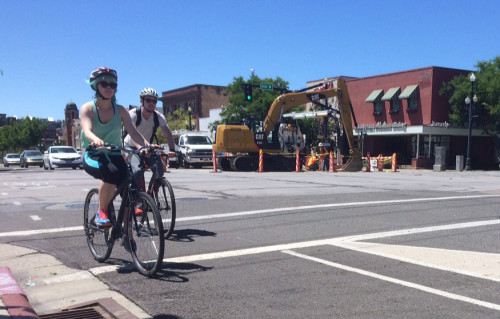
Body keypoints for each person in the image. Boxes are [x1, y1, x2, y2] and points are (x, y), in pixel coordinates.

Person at [81, 67, 150, 228]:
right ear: (96, 86)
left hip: (114, 153)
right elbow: (87, 130)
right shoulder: (88, 109)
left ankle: (126, 230)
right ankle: (101, 211)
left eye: (113, 84)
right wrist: (96, 140)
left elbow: (133, 132)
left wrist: (144, 146)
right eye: (104, 83)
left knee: (130, 180)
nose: (109, 87)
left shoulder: (120, 110)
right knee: (110, 173)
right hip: (93, 154)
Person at [123, 87, 176, 190]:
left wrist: (172, 149)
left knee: (159, 171)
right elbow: (133, 133)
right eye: (148, 100)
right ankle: (137, 197)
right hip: (131, 146)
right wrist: (141, 147)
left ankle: (152, 193)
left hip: (148, 147)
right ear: (141, 101)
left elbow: (168, 134)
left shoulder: (158, 116)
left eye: (154, 101)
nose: (152, 103)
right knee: (137, 171)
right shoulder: (133, 114)